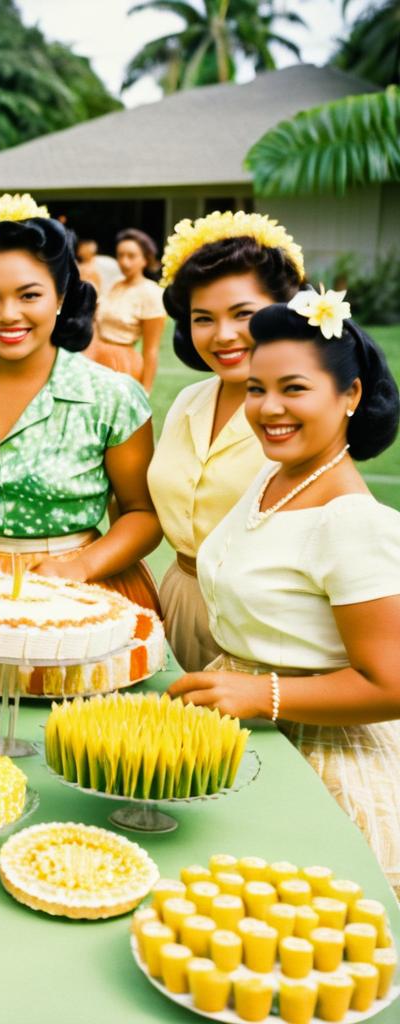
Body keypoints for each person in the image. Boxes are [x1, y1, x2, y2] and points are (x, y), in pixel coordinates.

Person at [170, 291, 400, 895]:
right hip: (240, 727)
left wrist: (258, 691)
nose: (268, 408)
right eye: (255, 388)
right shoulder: (277, 476)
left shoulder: (352, 521)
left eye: (294, 389)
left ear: (349, 395)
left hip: (318, 758)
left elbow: (391, 684)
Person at [0, 194, 162, 685]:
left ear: (62, 296)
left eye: (29, 295)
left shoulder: (112, 398)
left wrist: (79, 568)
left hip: (87, 593)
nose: (8, 314)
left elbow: (143, 514)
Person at [147, 212, 306, 671]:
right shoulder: (188, 399)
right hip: (179, 595)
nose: (224, 336)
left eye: (244, 315)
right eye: (203, 319)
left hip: (265, 620)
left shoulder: (306, 412)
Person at [86, 227, 165, 391]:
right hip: (96, 360)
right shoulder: (114, 285)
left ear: (145, 259)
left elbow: (151, 350)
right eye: (120, 255)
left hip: (123, 365)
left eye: (131, 256)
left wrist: (146, 390)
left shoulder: (151, 293)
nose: (124, 261)